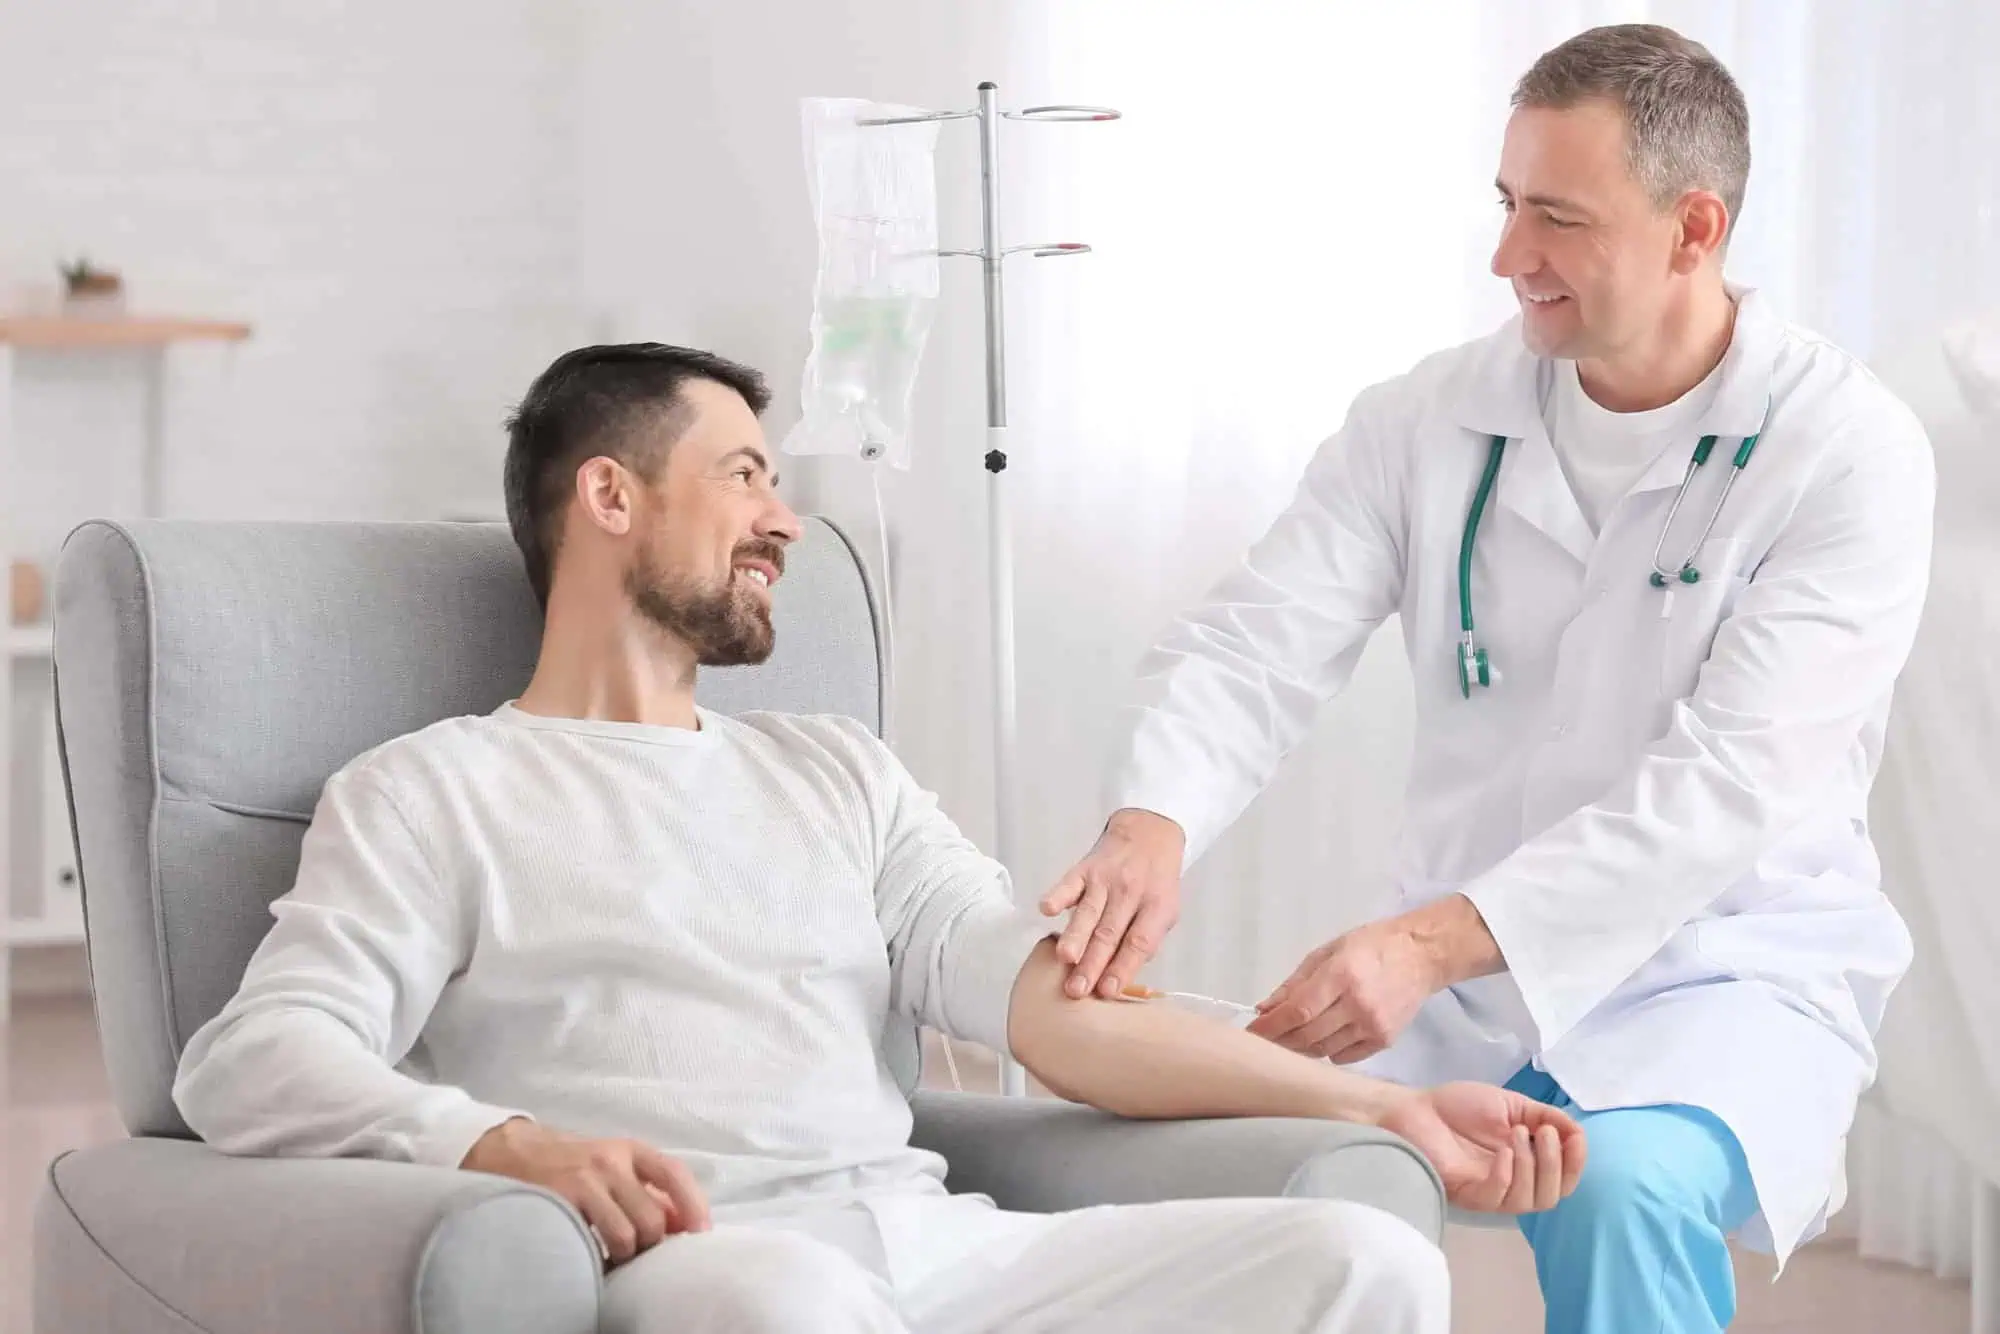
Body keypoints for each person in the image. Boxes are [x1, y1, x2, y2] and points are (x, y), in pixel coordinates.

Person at [173, 344, 1588, 1334]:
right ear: (611, 495)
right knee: (789, 1305)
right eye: (742, 474)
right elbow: (255, 1056)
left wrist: (1384, 1107)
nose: (784, 518)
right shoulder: (435, 790)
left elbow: (1063, 1013)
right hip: (715, 1262)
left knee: (1359, 1263)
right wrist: (508, 1143)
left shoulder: (834, 771)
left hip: (932, 1243)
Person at [1044, 23, 1933, 1334]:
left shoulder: (1843, 450)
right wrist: (1151, 820)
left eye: (1557, 218)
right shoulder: (1426, 419)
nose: (1509, 257)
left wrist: (1414, 944)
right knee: (1281, 1167)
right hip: (1459, 992)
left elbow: (1733, 782)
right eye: (1508, 205)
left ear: (1694, 229)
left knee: (1614, 1183)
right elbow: (1260, 638)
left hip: (1719, 969)